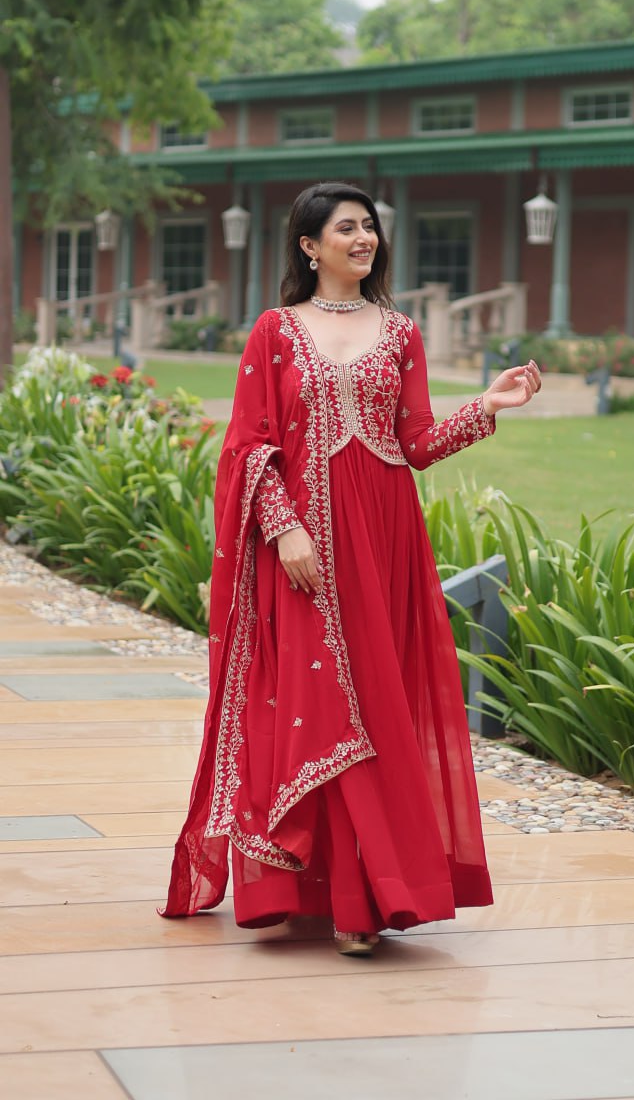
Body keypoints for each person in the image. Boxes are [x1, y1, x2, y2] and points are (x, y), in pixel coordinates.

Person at [162, 181, 541, 956]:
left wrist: (489, 407)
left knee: (376, 703)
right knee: (314, 705)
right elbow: (247, 444)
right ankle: (319, 889)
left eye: (369, 227)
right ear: (309, 245)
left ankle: (366, 901)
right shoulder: (275, 331)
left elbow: (416, 444)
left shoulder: (400, 332)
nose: (363, 239)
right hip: (300, 547)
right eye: (346, 228)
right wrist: (285, 529)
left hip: (384, 539)